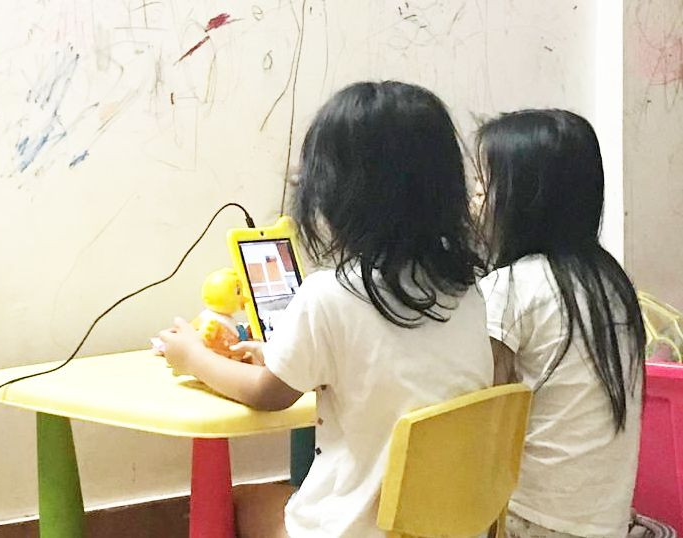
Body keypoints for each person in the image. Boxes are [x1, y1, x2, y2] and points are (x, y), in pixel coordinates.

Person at [158, 81, 494, 537]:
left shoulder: (331, 294)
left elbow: (267, 395)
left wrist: (192, 356)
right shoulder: (466, 292)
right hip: (450, 528)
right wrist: (278, 355)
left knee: (245, 502)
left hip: (357, 529)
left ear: (334, 191)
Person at [476, 109, 646, 538]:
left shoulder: (511, 286)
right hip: (606, 519)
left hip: (534, 520)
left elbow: (483, 420)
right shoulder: (610, 280)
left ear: (524, 199)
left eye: (483, 183)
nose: (473, 198)